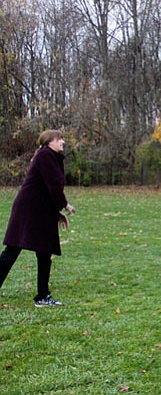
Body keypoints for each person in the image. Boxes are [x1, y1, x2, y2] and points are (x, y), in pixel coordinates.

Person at [0, 130, 75, 307]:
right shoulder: (45, 156)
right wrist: (65, 205)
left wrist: (57, 214)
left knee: (44, 252)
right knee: (12, 251)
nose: (63, 142)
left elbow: (48, 189)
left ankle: (42, 296)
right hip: (28, 210)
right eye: (59, 139)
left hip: (39, 211)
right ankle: (42, 295)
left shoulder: (49, 157)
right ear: (50, 142)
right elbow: (54, 186)